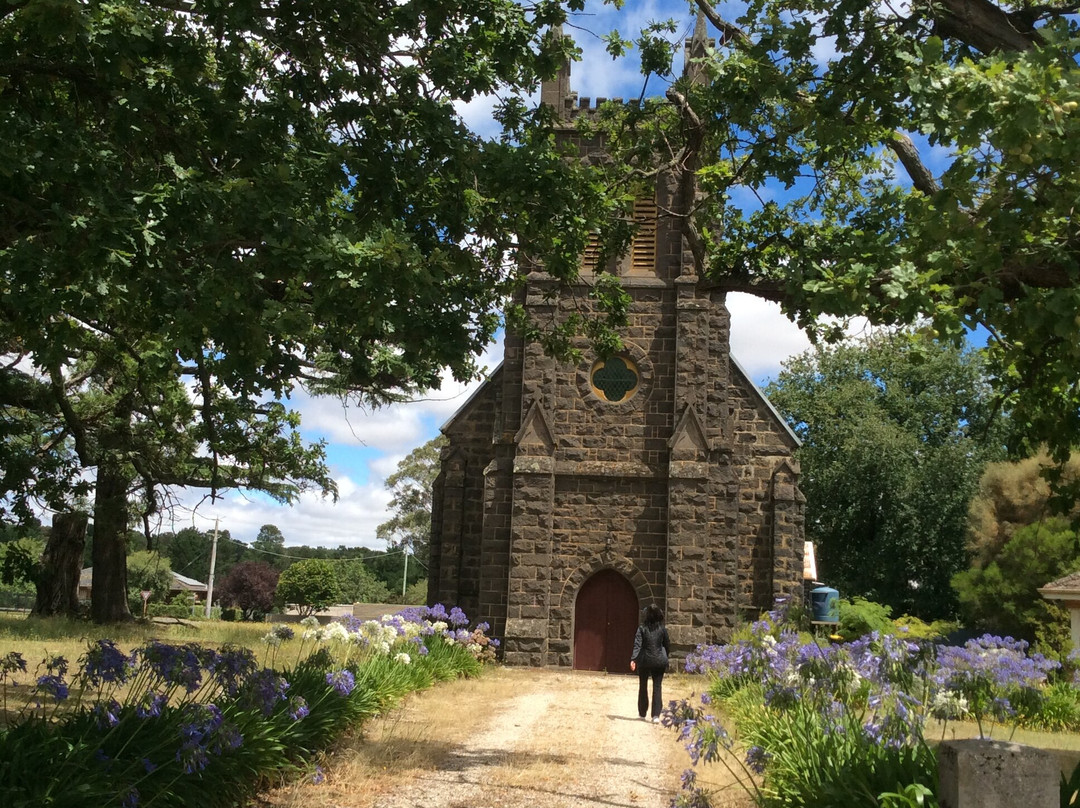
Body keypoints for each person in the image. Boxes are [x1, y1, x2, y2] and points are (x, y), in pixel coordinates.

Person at [630, 603, 670, 723]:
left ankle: (642, 712)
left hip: (644, 660)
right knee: (657, 687)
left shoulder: (642, 628)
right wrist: (665, 656)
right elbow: (667, 644)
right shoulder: (662, 629)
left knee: (643, 685)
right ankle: (656, 715)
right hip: (659, 661)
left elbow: (637, 644)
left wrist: (633, 659)